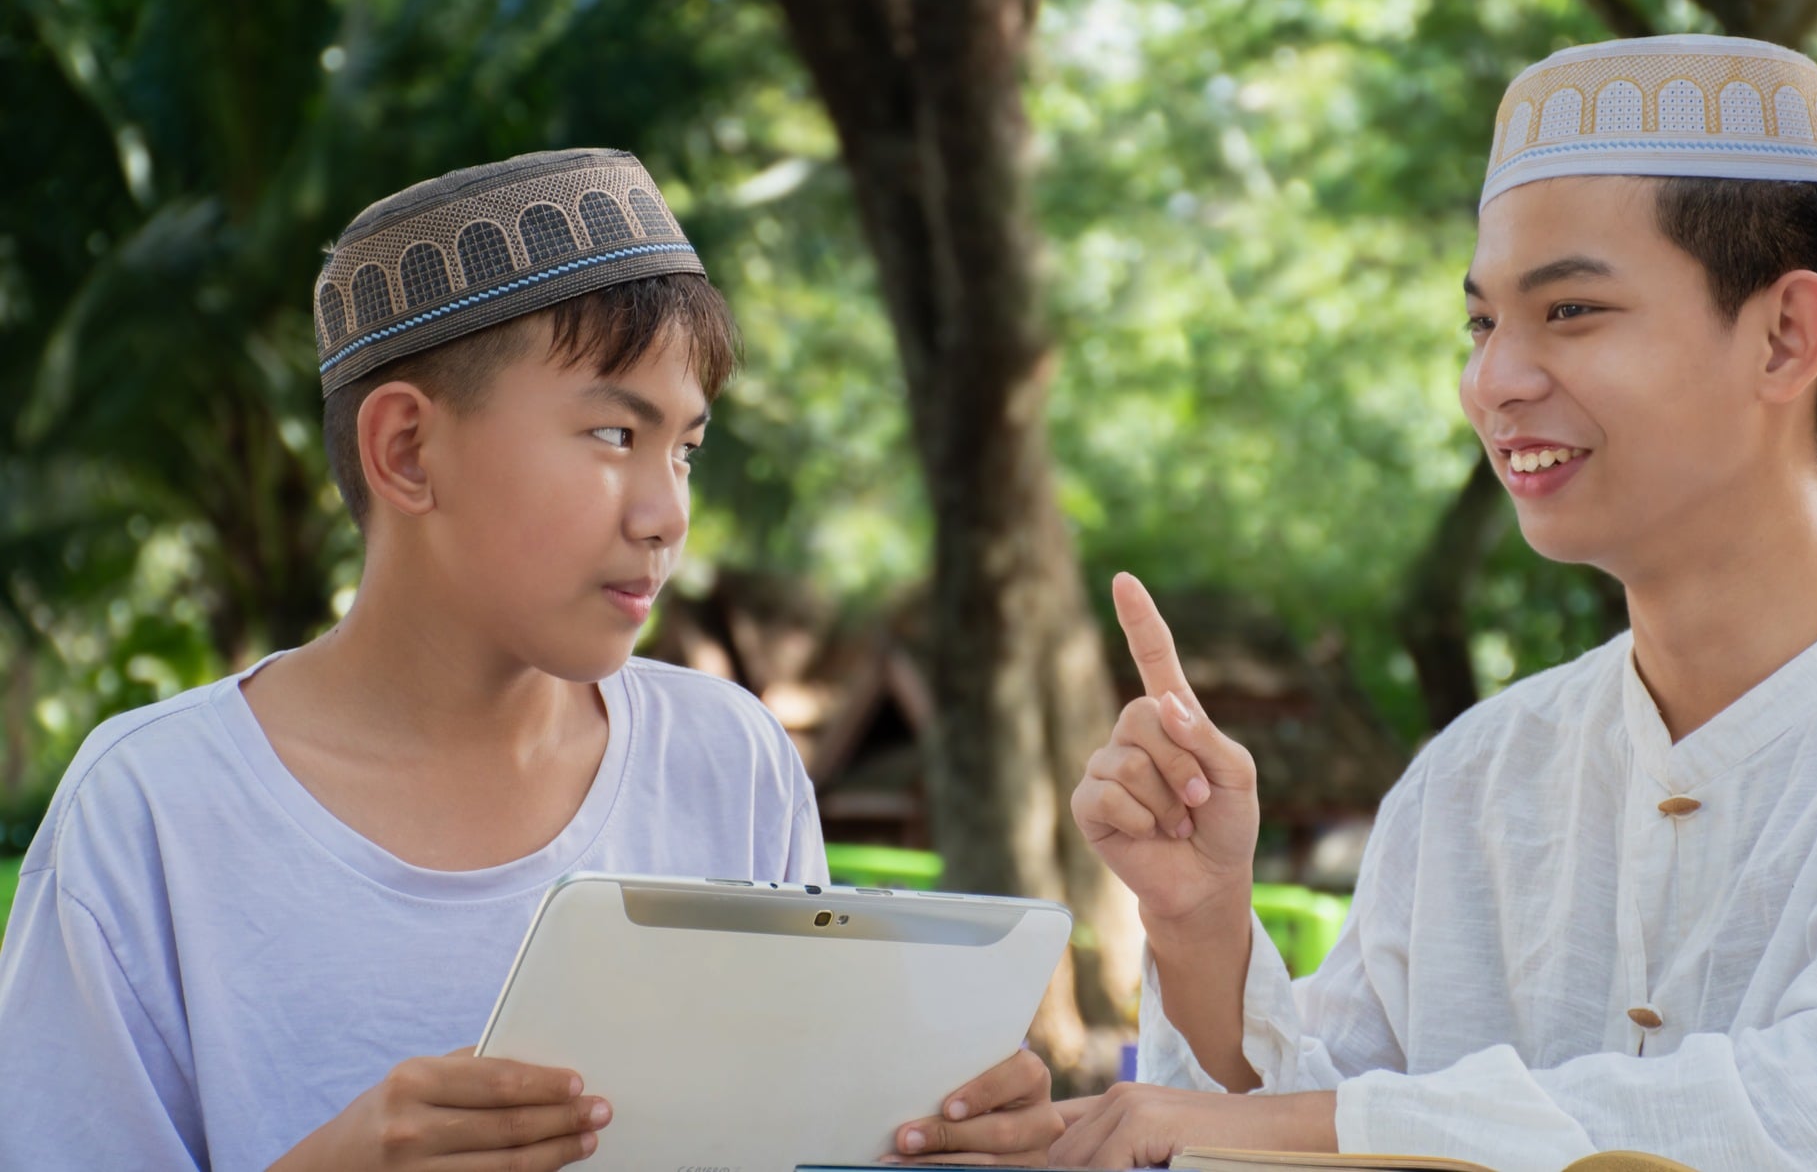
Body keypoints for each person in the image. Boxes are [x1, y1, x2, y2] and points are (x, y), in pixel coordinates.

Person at [1057, 36, 1817, 1172]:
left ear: (1785, 334)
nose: (1493, 380)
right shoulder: (1475, 779)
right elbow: (1300, 1135)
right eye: (1480, 323)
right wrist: (1201, 924)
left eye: (1567, 312)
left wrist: (1320, 1126)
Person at [0, 149, 1058, 1170]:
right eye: (612, 435)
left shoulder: (725, 759)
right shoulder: (151, 811)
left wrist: (935, 1132)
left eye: (685, 448)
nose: (666, 515)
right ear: (407, 450)